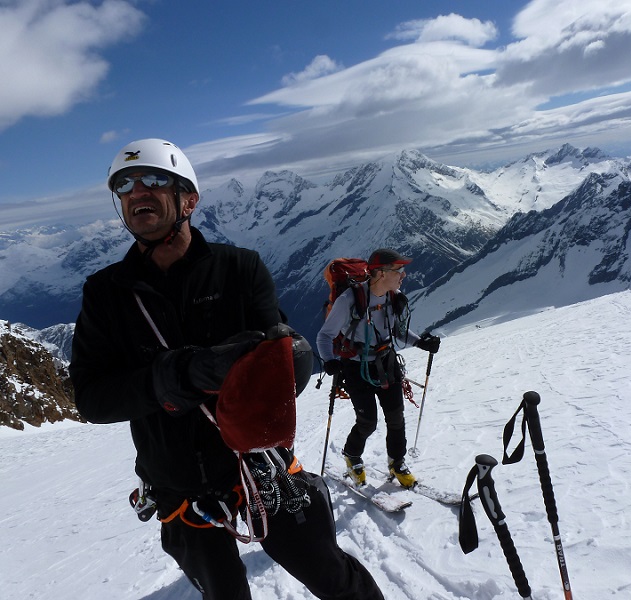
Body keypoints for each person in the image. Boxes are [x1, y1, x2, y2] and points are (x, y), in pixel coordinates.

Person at [69, 138, 384, 600]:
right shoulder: (106, 294)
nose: (138, 193)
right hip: (177, 482)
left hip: (263, 466)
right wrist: (178, 376)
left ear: (188, 199)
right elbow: (91, 398)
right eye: (125, 187)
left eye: (155, 180)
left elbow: (286, 362)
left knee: (332, 577)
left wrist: (291, 359)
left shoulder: (240, 269)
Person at [316, 248, 440, 488]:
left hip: (387, 362)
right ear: (381, 273)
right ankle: (352, 456)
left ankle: (397, 462)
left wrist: (421, 342)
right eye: (399, 271)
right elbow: (325, 335)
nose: (403, 275)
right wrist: (329, 360)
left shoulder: (393, 296)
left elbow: (398, 331)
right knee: (367, 422)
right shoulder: (349, 299)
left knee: (396, 418)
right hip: (355, 368)